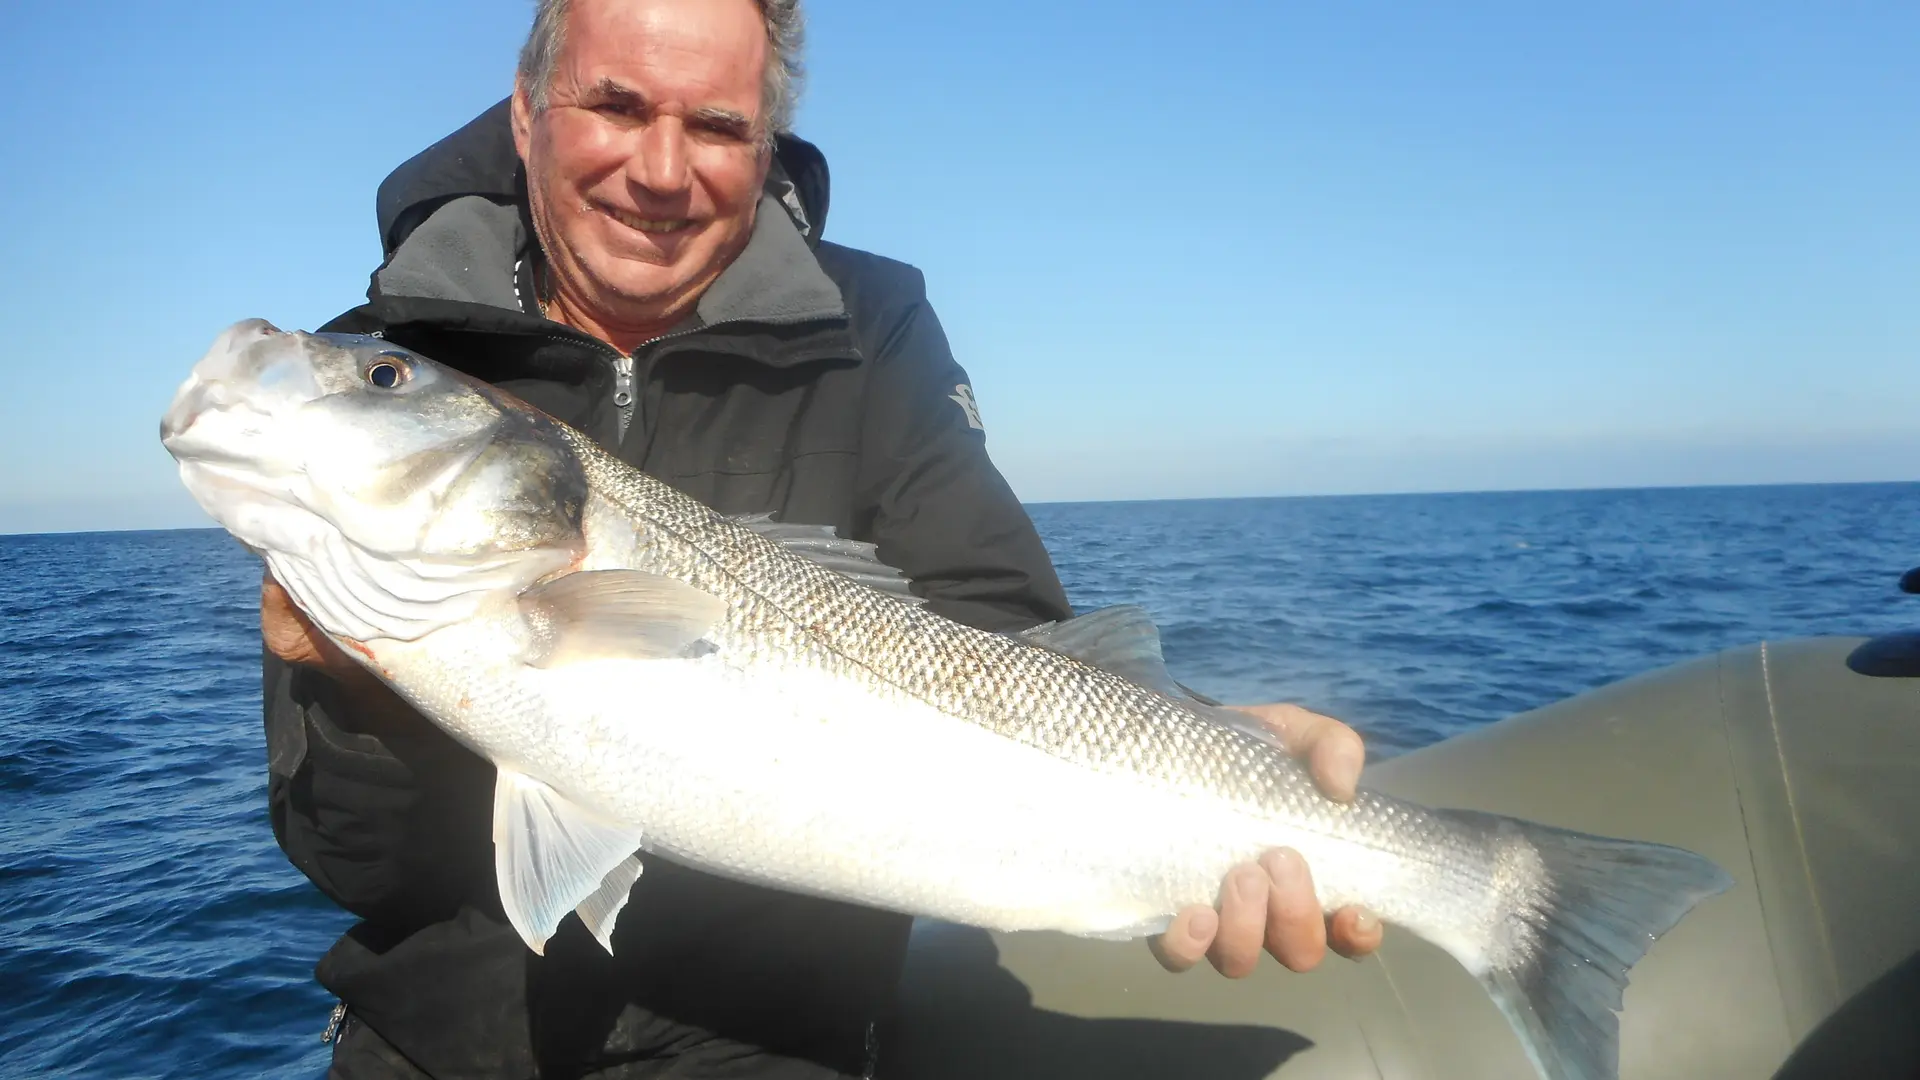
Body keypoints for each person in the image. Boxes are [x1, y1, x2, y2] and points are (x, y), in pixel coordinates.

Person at [261, 0, 1382, 1076]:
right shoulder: (393, 375)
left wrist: (1185, 752)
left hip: (780, 1051)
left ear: (768, 141)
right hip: (432, 1053)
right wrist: (356, 691)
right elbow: (349, 863)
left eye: (715, 125)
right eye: (615, 105)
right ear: (525, 109)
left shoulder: (872, 328)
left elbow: (999, 635)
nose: (659, 169)